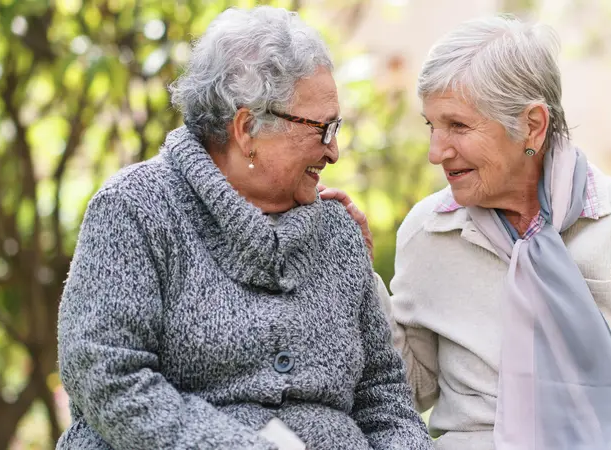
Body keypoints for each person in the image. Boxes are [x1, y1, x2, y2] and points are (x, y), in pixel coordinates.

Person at [322, 14, 611, 450]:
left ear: (532, 125)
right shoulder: (429, 230)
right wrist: (359, 277)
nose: (437, 152)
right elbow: (411, 388)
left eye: (457, 126)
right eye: (431, 125)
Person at [56, 7, 433, 450]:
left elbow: (384, 398)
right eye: (322, 129)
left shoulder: (336, 230)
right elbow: (107, 376)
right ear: (247, 128)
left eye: (337, 128)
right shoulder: (134, 210)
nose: (334, 152)